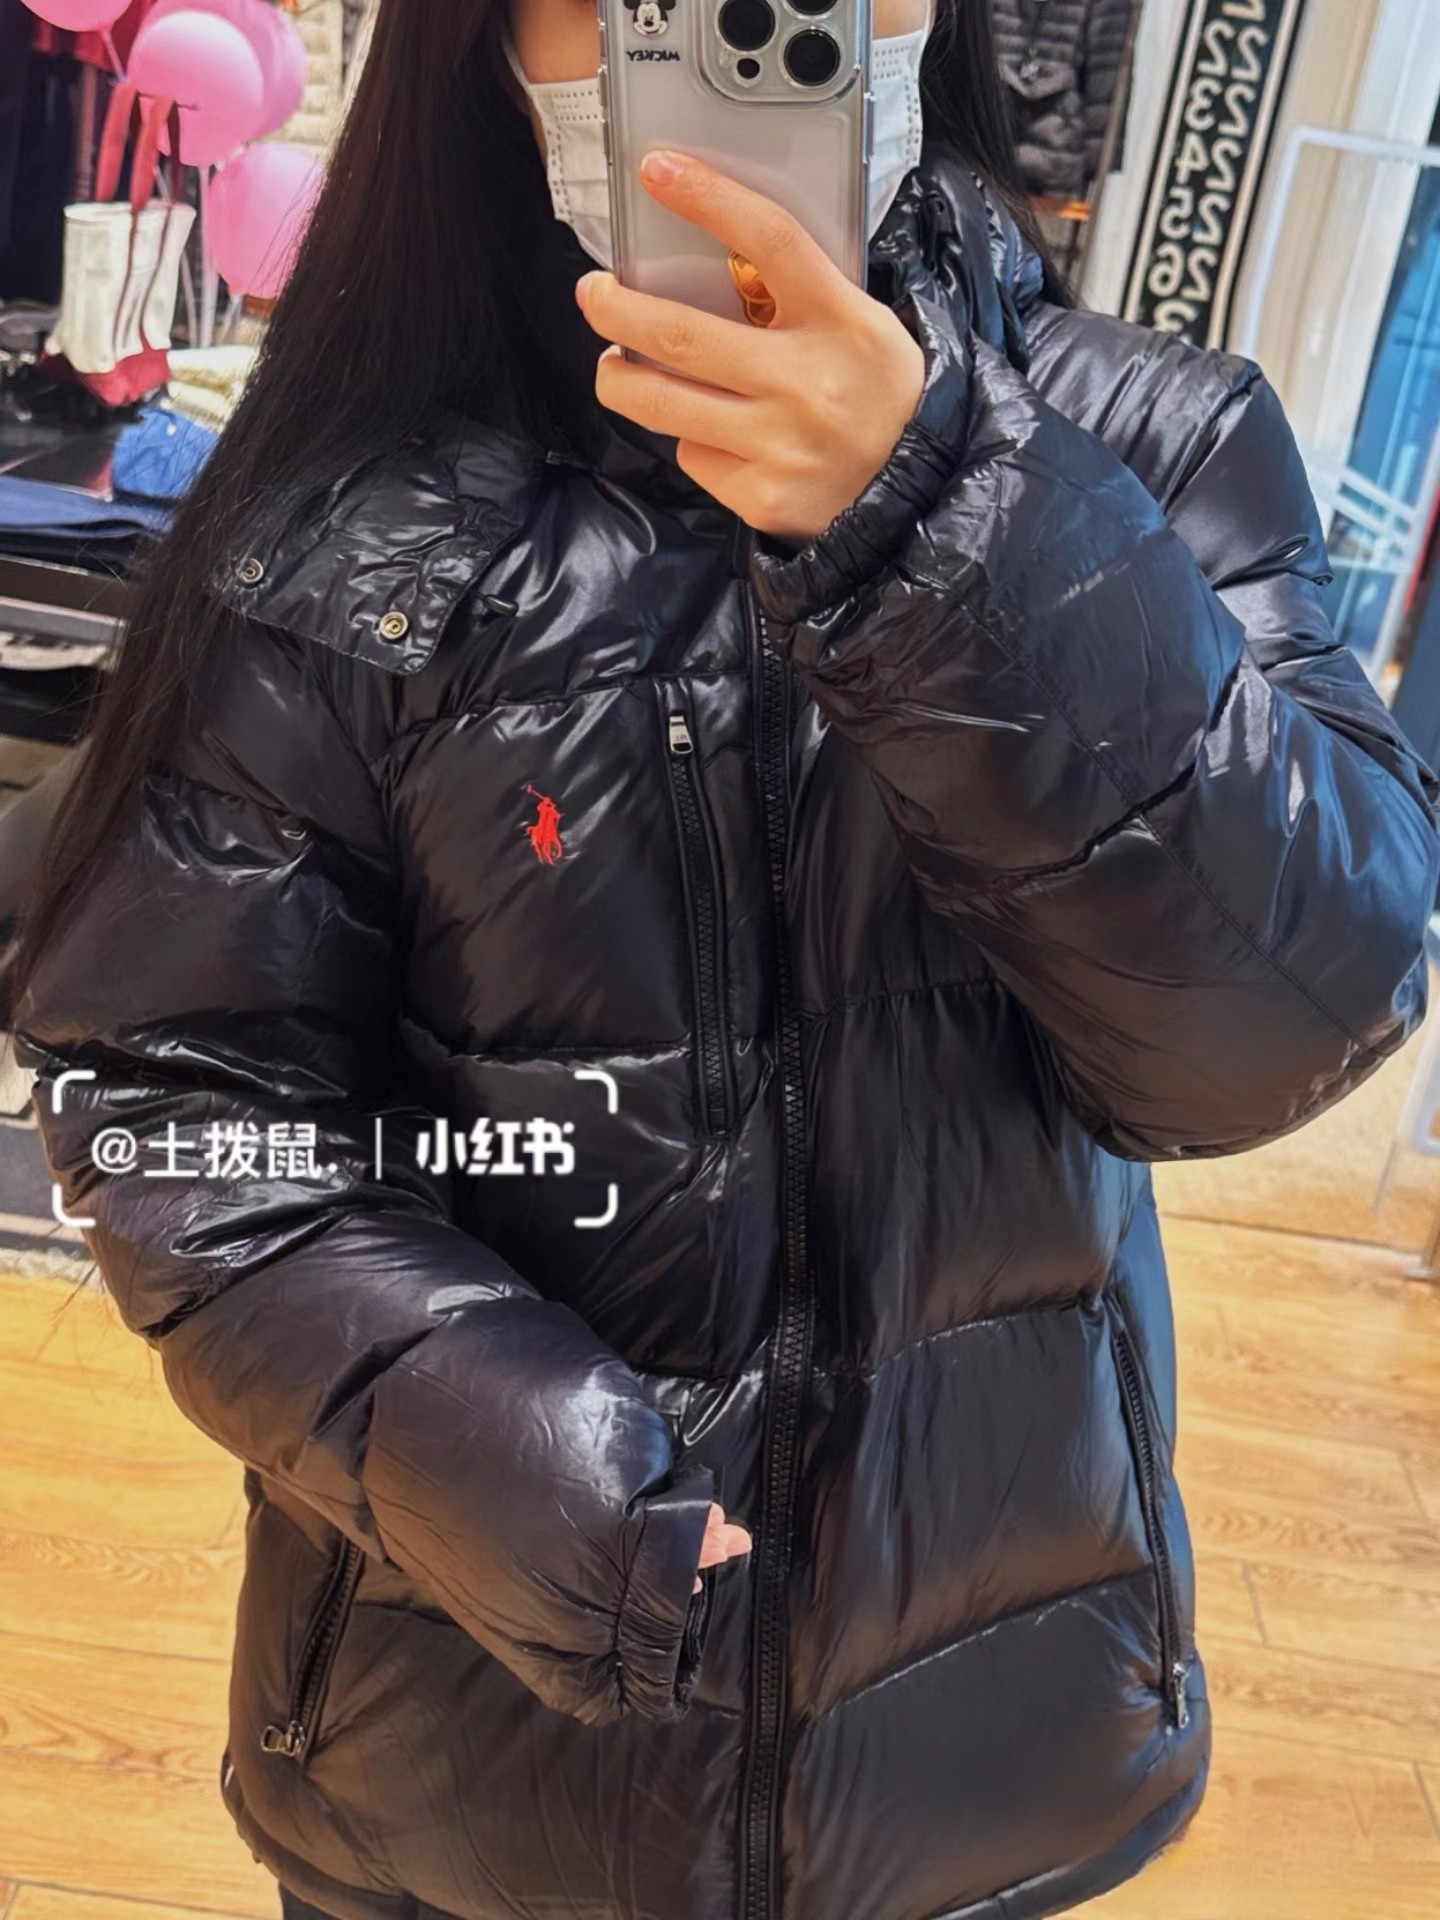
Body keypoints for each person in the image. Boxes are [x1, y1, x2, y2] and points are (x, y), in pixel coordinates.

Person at [7, 1, 1439, 1917]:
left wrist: (945, 518)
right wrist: (493, 1450)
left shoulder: (1157, 447)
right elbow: (179, 1099)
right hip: (473, 1728)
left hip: (986, 1714)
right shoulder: (344, 518)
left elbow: (1287, 1021)